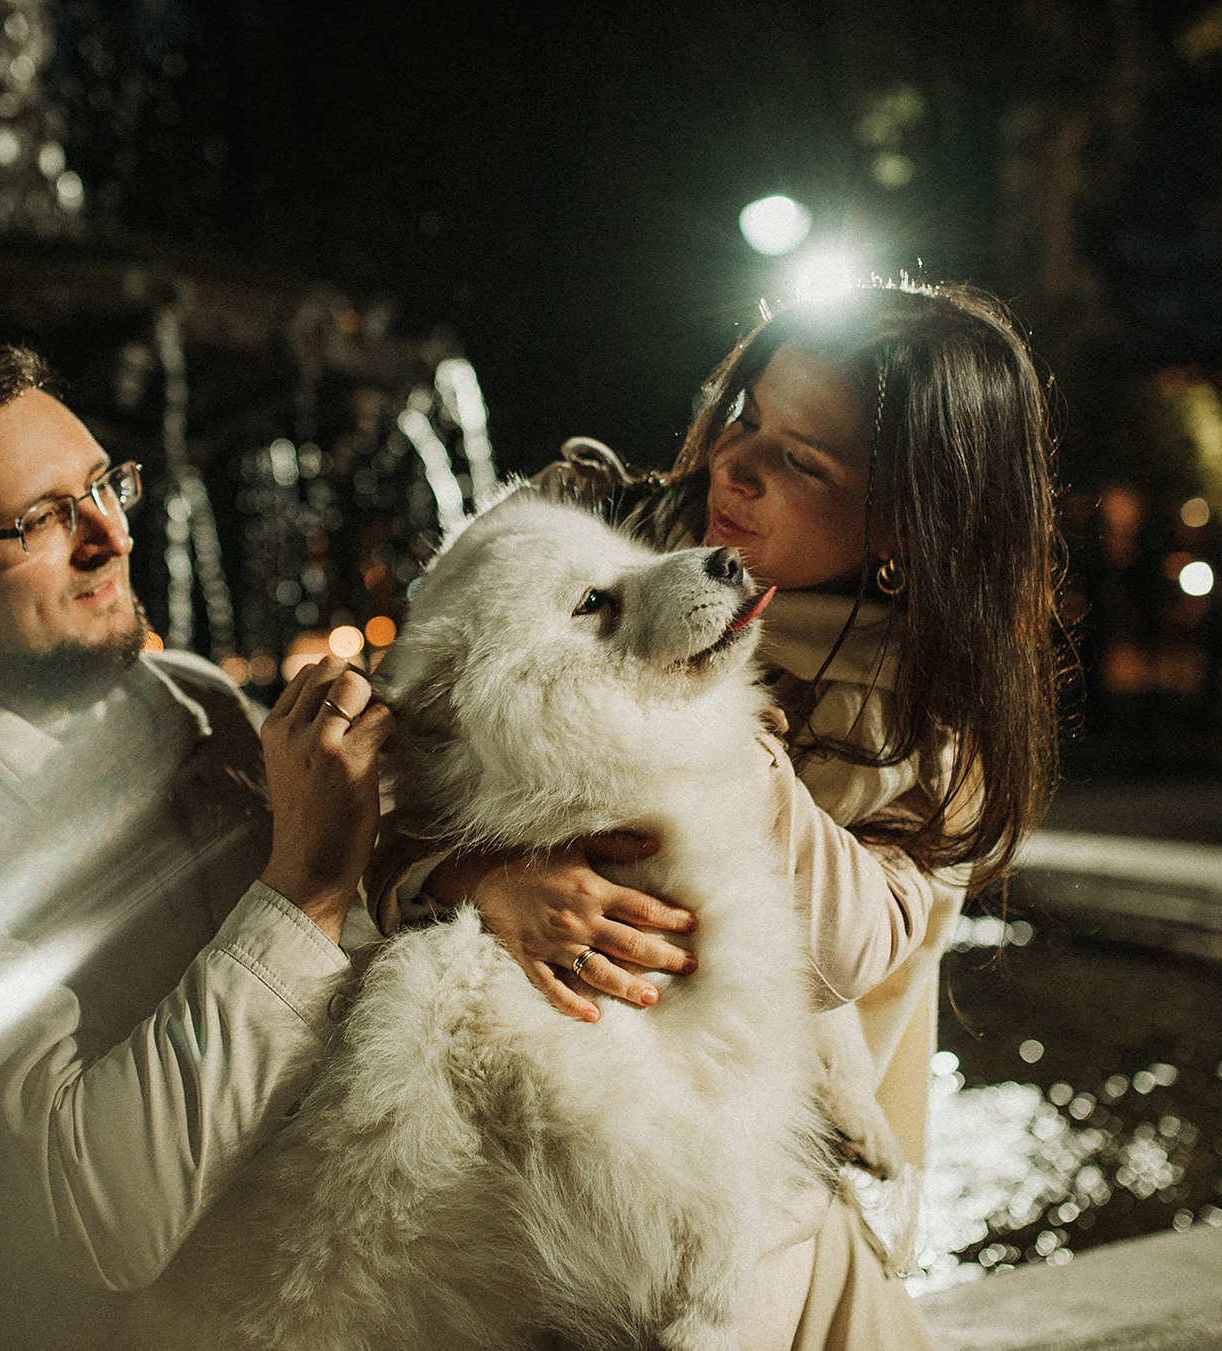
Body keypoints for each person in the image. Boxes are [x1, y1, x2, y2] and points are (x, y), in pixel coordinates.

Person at [405, 282, 1062, 1349]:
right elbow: (389, 754)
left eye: (802, 460)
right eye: (744, 416)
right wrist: (470, 879)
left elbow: (848, 948)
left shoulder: (934, 717)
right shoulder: (592, 542)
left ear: (904, 518)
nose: (735, 466)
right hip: (502, 1115)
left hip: (763, 1159)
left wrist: (714, 713)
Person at [0, 345, 394, 1348]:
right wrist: (309, 882)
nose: (110, 535)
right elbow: (96, 1215)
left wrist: (470, 888)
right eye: (39, 519)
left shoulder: (194, 695)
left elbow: (351, 976)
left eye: (103, 486)